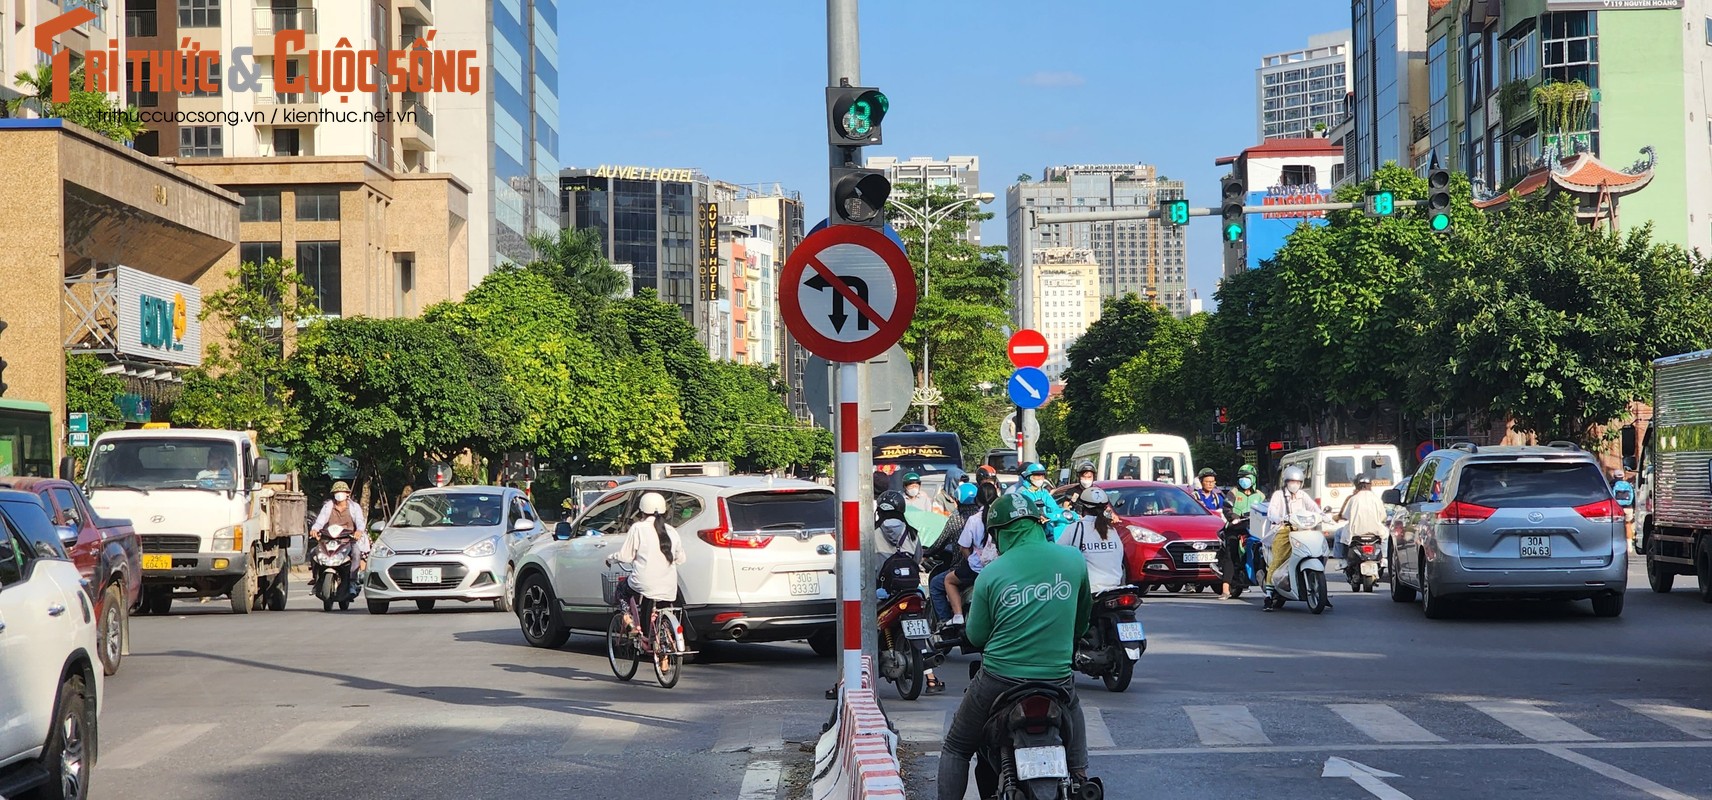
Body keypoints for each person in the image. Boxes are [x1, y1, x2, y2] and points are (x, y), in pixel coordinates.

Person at [937, 493, 1091, 800]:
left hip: (999, 678)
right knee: (1073, 708)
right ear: (1037, 523)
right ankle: (1081, 779)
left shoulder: (991, 573)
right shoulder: (1073, 560)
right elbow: (1082, 622)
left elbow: (978, 636)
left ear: (997, 534)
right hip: (1056, 678)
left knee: (957, 746)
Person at [605, 492, 684, 668]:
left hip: (643, 582)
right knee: (659, 615)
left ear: (641, 510)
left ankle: (629, 621)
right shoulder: (672, 531)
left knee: (621, 589)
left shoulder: (638, 528)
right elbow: (680, 559)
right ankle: (664, 656)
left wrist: (611, 558)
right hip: (669, 586)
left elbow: (626, 556)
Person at [1262, 466, 1324, 611]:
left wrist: (1323, 516)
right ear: (1286, 482)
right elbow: (1272, 513)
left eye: (1297, 481)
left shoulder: (1303, 495)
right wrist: (1280, 518)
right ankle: (1269, 596)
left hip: (1301, 530)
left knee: (1318, 551)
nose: (1294, 484)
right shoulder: (1278, 495)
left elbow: (1314, 508)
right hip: (1283, 530)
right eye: (1291, 481)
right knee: (1277, 561)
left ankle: (1317, 586)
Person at [943, 482, 1001, 628]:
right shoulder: (1002, 517)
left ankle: (957, 616)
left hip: (976, 569)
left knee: (948, 580)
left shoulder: (973, 520)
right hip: (1000, 567)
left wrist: (973, 560)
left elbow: (963, 547)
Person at [1057, 488, 1126, 593]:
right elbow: (1119, 557)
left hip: (1087, 591)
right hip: (1114, 587)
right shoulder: (1112, 530)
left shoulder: (1075, 528)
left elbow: (1058, 556)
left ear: (1082, 507)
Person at [309, 481, 369, 589]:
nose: (339, 494)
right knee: (313, 552)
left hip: (349, 539)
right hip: (330, 538)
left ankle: (352, 581)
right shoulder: (328, 506)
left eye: (342, 491)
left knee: (356, 553)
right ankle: (316, 578)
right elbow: (320, 521)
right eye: (337, 491)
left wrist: (359, 531)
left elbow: (360, 521)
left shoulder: (354, 507)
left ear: (347, 494)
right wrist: (314, 529)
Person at [1335, 473, 1388, 564]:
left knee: (1339, 533)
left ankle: (1343, 560)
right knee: (1386, 534)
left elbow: (1346, 515)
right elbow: (1383, 516)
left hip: (1355, 532)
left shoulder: (1353, 498)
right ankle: (1384, 557)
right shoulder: (1376, 499)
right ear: (1370, 485)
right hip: (1375, 532)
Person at [1612, 468, 1636, 542]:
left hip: (1616, 508)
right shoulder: (1628, 484)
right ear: (1623, 476)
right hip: (1628, 507)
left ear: (1614, 476)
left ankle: (1617, 541)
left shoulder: (1611, 484)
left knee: (1615, 526)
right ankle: (1629, 544)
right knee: (1628, 524)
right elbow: (1633, 496)